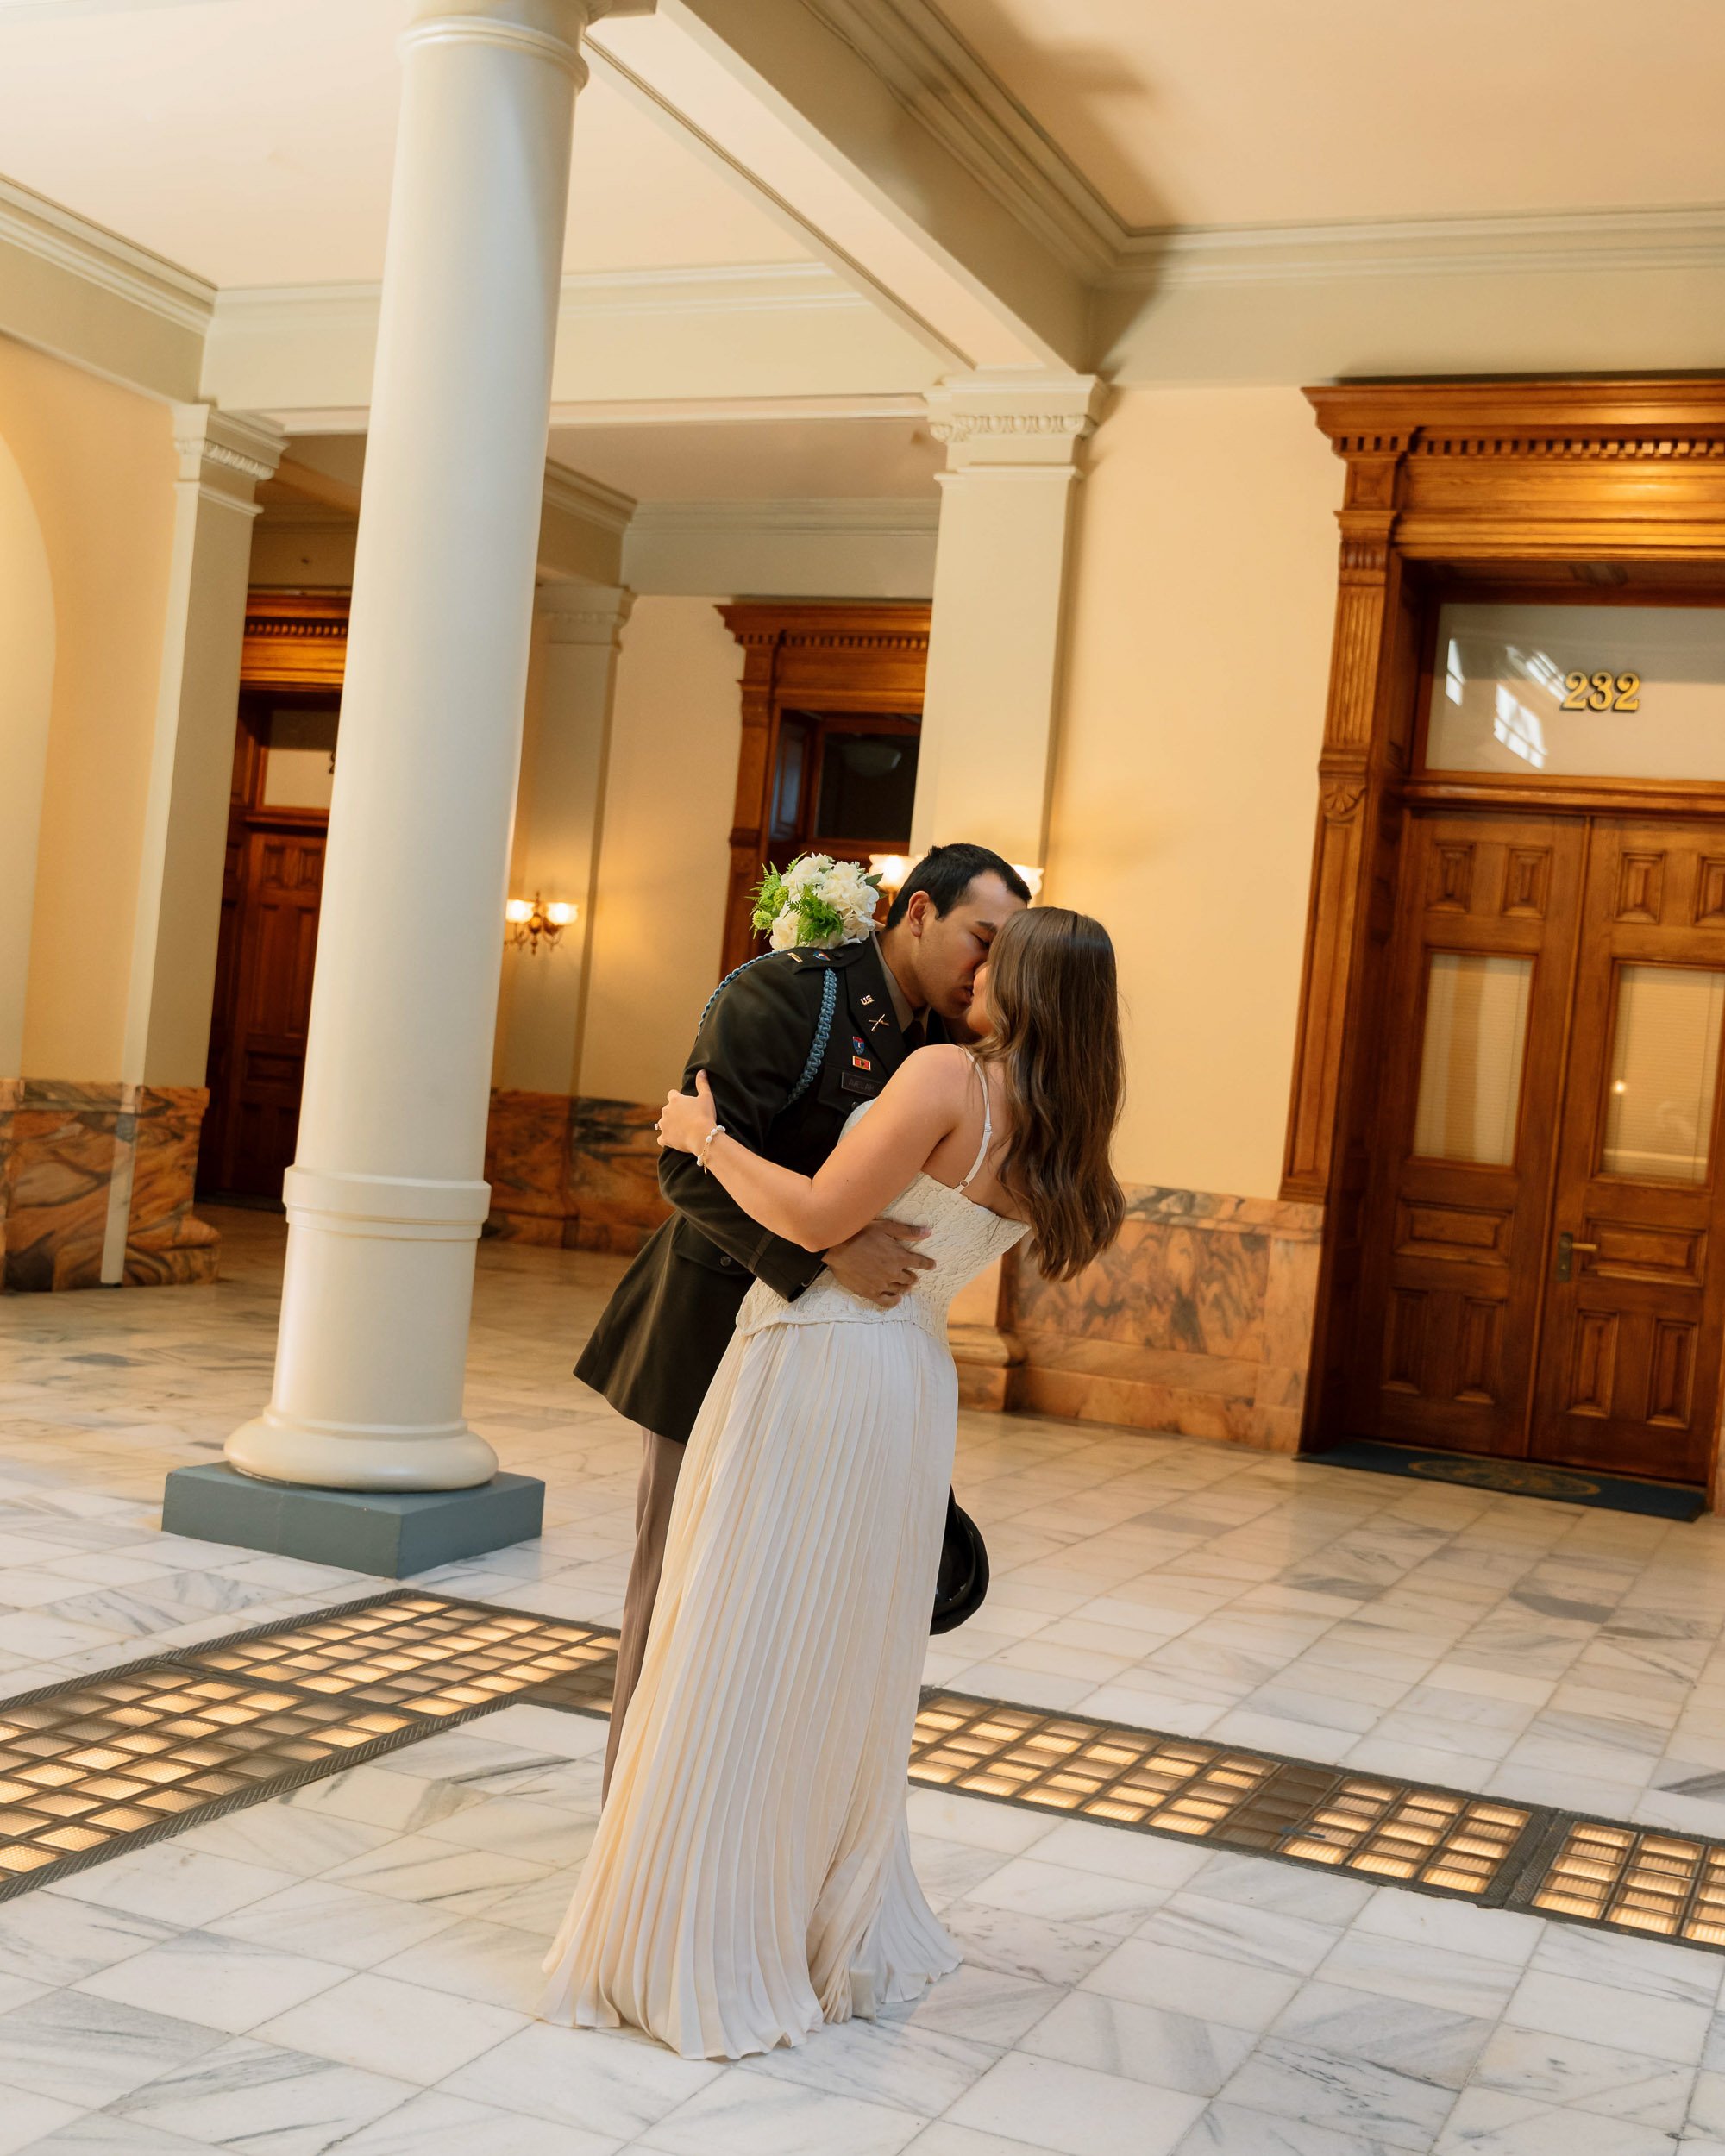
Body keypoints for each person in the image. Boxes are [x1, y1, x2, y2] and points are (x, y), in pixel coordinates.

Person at [543, 906, 1126, 2059]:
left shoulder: (950, 1077)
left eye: (998, 956)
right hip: (907, 1377)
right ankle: (818, 1921)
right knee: (841, 1658)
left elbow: (815, 1215)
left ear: (1028, 985)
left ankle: (701, 1929)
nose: (976, 967)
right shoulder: (1062, 1125)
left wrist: (703, 1139)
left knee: (739, 1637)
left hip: (815, 1363)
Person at [574, 843, 1032, 1795]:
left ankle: (749, 1802)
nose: (982, 971)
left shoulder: (951, 1052)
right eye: (977, 940)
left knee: (784, 1603)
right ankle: (634, 1815)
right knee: (678, 1586)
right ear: (914, 913)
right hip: (710, 1325)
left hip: (836, 1365)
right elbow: (682, 1161)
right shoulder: (787, 994)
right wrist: (819, 1249)